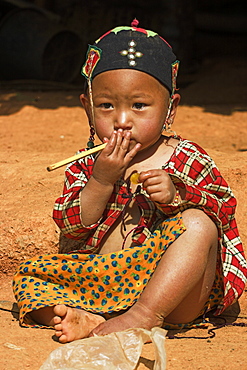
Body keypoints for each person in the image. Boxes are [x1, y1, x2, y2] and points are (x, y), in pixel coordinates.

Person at [13, 20, 247, 344]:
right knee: (28, 280)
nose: (122, 121)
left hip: (171, 296)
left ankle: (143, 316)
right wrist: (100, 179)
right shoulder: (87, 162)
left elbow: (223, 212)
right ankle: (90, 319)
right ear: (87, 107)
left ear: (171, 109)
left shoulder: (187, 157)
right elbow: (72, 226)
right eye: (106, 106)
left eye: (139, 106)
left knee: (198, 225)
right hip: (102, 286)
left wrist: (177, 194)